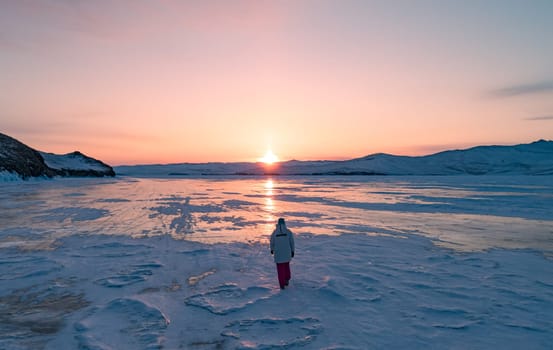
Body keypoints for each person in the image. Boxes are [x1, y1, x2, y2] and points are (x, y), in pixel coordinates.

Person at [270, 218, 295, 289]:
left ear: (278, 224)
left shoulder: (274, 233)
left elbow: (272, 242)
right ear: (284, 224)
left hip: (278, 254)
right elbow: (292, 242)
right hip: (287, 253)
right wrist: (292, 251)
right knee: (286, 266)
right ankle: (287, 279)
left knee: (280, 269)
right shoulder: (288, 232)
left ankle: (282, 284)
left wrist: (272, 249)